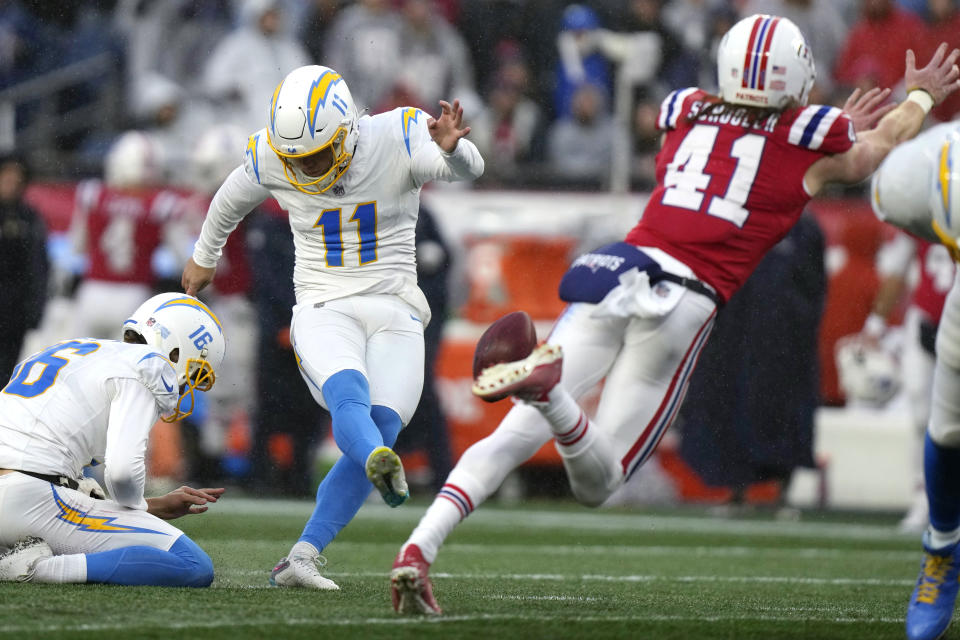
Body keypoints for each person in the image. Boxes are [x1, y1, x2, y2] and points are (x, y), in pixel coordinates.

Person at [389, 13, 960, 615]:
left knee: (511, 438)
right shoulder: (809, 134)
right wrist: (919, 95)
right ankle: (552, 396)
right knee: (598, 482)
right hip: (682, 298)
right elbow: (875, 149)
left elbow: (719, 145)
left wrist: (815, 132)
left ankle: (417, 549)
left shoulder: (685, 108)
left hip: (615, 270)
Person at [181, 64, 484, 590]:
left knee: (383, 425)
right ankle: (376, 462)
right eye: (298, 157)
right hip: (324, 304)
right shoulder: (277, 153)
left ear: (346, 130)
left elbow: (467, 169)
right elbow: (229, 200)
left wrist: (454, 148)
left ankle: (302, 555)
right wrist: (204, 255)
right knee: (351, 399)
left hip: (395, 305)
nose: (308, 165)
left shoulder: (398, 132)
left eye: (319, 153)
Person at [0, 292, 226, 587]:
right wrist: (141, 507)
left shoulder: (76, 346)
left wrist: (152, 505)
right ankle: (38, 569)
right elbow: (122, 474)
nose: (187, 385)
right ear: (176, 351)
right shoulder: (150, 366)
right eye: (193, 371)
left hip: (23, 491)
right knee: (193, 565)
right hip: (28, 499)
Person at [858, 121, 960, 640]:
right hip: (948, 308)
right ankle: (941, 549)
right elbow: (891, 196)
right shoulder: (938, 157)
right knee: (942, 430)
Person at [0, 153, 48, 377]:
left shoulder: (29, 218)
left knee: (6, 371)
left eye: (17, 179)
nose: (11, 183)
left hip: (13, 311)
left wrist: (35, 309)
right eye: (6, 177)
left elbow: (38, 267)